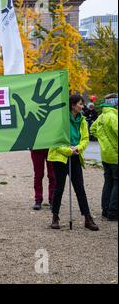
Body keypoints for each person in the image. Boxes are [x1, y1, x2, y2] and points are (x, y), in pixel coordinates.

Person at [48, 94, 99, 231]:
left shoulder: (82, 120)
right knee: (59, 187)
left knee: (80, 188)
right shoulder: (60, 120)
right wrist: (67, 150)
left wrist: (77, 148)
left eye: (83, 104)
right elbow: (54, 140)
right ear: (72, 105)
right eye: (80, 104)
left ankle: (87, 218)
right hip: (59, 157)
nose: (82, 107)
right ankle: (55, 217)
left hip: (75, 155)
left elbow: (85, 138)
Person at [90, 93, 118, 221]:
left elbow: (93, 129)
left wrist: (103, 140)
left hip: (105, 154)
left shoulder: (102, 116)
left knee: (108, 182)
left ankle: (105, 210)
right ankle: (113, 212)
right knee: (116, 183)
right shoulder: (113, 116)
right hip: (115, 155)